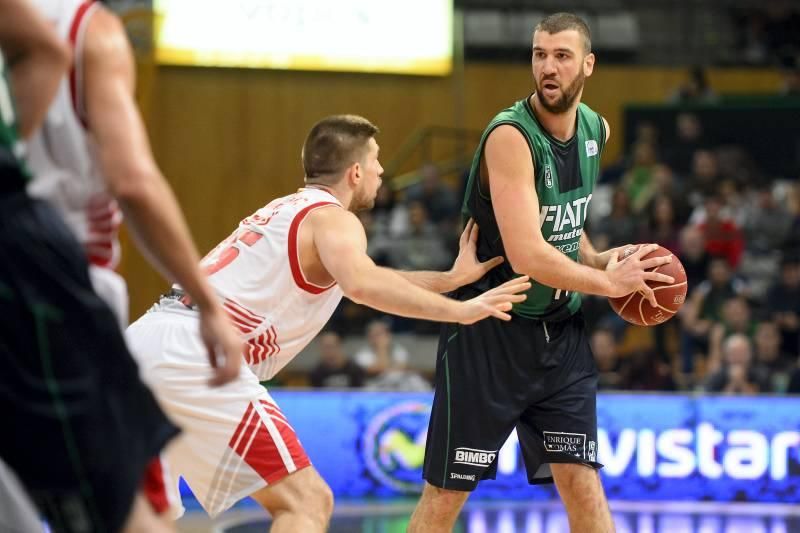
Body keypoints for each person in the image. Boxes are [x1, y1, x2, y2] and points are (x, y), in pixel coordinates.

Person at [126, 114, 530, 530]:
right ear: (355, 172)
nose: (381, 171)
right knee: (306, 503)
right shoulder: (335, 219)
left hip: (142, 345)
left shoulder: (286, 209)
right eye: (376, 160)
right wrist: (463, 311)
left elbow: (367, 274)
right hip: (197, 357)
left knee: (143, 514)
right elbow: (363, 283)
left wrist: (449, 281)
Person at [408, 13, 674, 533]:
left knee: (582, 482)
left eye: (562, 55)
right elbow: (529, 252)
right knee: (445, 496)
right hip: (490, 331)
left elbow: (563, 221)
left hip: (561, 339)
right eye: (539, 55)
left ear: (588, 65)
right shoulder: (510, 137)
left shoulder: (596, 129)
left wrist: (596, 259)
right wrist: (607, 284)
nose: (548, 67)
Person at [0, 1, 198, 531]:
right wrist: (207, 299)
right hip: (56, 286)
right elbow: (132, 181)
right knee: (127, 507)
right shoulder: (89, 29)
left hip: (40, 270)